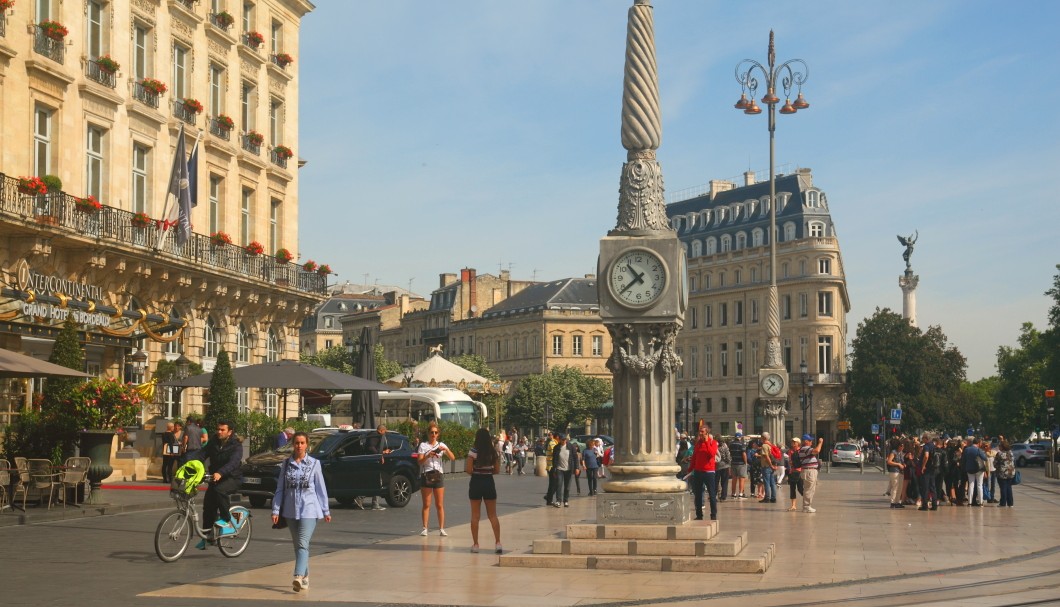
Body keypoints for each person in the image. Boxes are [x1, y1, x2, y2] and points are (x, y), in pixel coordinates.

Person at [272, 431, 331, 592]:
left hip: (309, 510)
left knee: (303, 543)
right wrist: (276, 510)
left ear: (307, 445)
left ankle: (297, 576)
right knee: (298, 545)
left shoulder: (314, 464)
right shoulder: (286, 464)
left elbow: (321, 489)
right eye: (297, 443)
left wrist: (326, 510)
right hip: (291, 511)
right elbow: (280, 489)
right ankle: (305, 578)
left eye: (302, 443)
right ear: (293, 445)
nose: (299, 446)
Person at [195, 420, 243, 549]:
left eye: (222, 430)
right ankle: (208, 538)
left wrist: (220, 473)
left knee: (220, 491)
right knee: (208, 506)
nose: (219, 432)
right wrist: (192, 464)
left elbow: (233, 463)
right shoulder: (214, 441)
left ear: (230, 432)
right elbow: (202, 454)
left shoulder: (236, 445)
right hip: (215, 478)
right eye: (218, 429)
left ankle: (226, 519)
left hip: (232, 478)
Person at [466, 428, 502, 554]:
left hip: (476, 482)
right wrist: (487, 471)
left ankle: (476, 544)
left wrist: (477, 470)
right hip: (488, 482)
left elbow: (468, 469)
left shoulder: (473, 451)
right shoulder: (492, 452)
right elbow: (497, 470)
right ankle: (498, 542)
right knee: (493, 515)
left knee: (475, 516)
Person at [416, 422, 454, 536]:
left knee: (439, 504)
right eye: (432, 432)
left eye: (435, 432)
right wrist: (428, 455)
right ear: (428, 433)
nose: (433, 434)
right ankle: (424, 527)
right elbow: (420, 462)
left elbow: (452, 458)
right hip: (426, 474)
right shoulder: (423, 445)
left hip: (438, 474)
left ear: (438, 434)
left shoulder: (441, 445)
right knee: (426, 504)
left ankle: (441, 528)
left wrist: (445, 450)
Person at [686, 424, 719, 521]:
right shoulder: (698, 444)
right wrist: (690, 469)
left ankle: (713, 514)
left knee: (712, 494)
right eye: (699, 431)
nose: (700, 433)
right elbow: (694, 457)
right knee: (698, 494)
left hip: (709, 472)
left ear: (707, 433)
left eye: (702, 432)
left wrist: (707, 442)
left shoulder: (713, 442)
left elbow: (712, 454)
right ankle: (699, 515)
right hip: (698, 471)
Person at [365, 424, 393, 511]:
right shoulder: (375, 436)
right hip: (375, 461)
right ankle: (374, 503)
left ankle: (362, 498)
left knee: (372, 481)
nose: (384, 434)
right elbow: (372, 447)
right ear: (381, 431)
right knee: (377, 481)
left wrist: (383, 452)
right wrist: (379, 455)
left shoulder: (372, 436)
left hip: (371, 461)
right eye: (384, 432)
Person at [552, 433, 579, 507]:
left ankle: (566, 500)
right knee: (559, 485)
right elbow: (554, 459)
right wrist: (554, 469)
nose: (564, 441)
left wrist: (577, 468)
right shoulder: (556, 447)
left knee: (567, 486)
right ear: (559, 440)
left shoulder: (571, 447)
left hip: (569, 469)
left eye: (565, 440)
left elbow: (575, 458)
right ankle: (558, 501)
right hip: (559, 469)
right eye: (562, 440)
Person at [799, 434, 823, 513]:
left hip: (810, 471)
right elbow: (817, 451)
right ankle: (806, 506)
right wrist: (820, 443)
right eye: (810, 441)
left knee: (810, 489)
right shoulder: (805, 448)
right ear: (806, 441)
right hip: (809, 471)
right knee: (809, 489)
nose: (811, 442)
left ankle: (807, 506)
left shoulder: (804, 449)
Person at [961, 436, 987, 506]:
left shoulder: (967, 449)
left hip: (969, 469)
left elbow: (963, 459)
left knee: (971, 485)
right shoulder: (978, 450)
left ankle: (969, 502)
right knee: (979, 485)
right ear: (978, 443)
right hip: (979, 469)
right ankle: (981, 502)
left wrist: (964, 468)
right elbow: (985, 458)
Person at [993, 438, 1015, 508]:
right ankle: (1010, 503)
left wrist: (997, 467)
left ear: (1002, 446)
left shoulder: (999, 454)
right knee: (1009, 487)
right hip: (1010, 472)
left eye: (1000, 446)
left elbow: (995, 463)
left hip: (1002, 473)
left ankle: (1003, 503)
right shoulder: (1010, 452)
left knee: (1003, 488)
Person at [886, 438, 906, 509]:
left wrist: (903, 464)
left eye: (903, 446)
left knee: (900, 487)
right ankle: (893, 502)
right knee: (895, 487)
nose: (902, 448)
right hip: (894, 471)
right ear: (898, 446)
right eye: (901, 446)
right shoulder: (893, 452)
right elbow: (889, 461)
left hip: (901, 471)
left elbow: (902, 461)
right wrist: (898, 464)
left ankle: (897, 502)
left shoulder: (900, 453)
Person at [786, 437, 804, 511]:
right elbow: (790, 461)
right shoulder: (790, 451)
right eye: (792, 442)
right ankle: (793, 505)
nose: (793, 443)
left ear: (798, 443)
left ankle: (807, 503)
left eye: (795, 442)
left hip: (799, 471)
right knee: (792, 489)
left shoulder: (801, 451)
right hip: (792, 471)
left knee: (800, 489)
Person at [758, 432, 777, 504]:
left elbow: (766, 456)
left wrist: (770, 465)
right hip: (771, 466)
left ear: (764, 438)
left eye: (761, 437)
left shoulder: (764, 446)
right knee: (772, 482)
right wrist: (774, 465)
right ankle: (773, 498)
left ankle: (767, 498)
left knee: (766, 482)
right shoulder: (771, 445)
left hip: (766, 466)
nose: (760, 439)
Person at [729, 433, 748, 499]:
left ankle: (733, 493)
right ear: (740, 437)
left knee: (734, 479)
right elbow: (744, 454)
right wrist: (746, 462)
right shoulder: (742, 444)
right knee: (741, 478)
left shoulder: (731, 444)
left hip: (733, 463)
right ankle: (740, 494)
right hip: (741, 463)